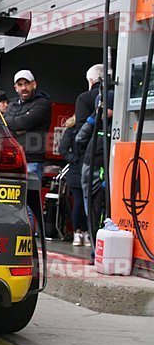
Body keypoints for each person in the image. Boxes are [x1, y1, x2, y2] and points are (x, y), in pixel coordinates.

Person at [76, 90, 114, 253]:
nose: (102, 110)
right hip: (88, 171)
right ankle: (95, 247)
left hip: (102, 173)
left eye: (106, 107)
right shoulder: (95, 123)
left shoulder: (116, 125)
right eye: (100, 107)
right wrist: (92, 120)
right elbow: (79, 139)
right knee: (89, 211)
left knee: (98, 212)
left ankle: (96, 251)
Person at [4, 70, 52, 181]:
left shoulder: (42, 103)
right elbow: (4, 124)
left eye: (27, 83)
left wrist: (12, 124)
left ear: (34, 84)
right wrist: (18, 126)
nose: (24, 88)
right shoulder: (12, 104)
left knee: (29, 196)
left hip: (31, 159)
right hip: (12, 159)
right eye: (20, 85)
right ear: (15, 87)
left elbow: (25, 122)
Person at [58, 115, 88, 245]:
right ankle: (77, 231)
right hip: (76, 170)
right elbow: (63, 149)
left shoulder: (91, 128)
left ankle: (86, 232)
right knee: (79, 202)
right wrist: (74, 159)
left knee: (88, 203)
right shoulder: (71, 130)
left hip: (87, 167)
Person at [75, 64, 103, 130]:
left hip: (92, 138)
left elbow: (80, 126)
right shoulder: (117, 94)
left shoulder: (84, 98)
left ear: (91, 81)